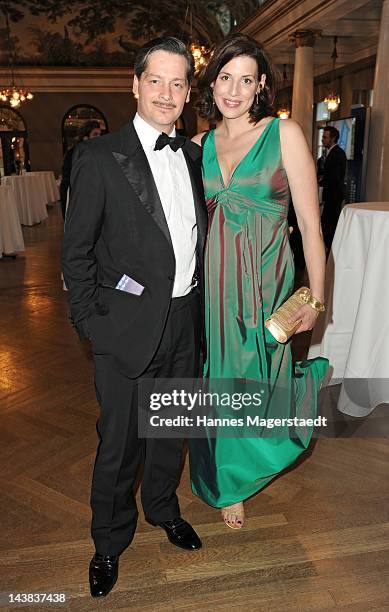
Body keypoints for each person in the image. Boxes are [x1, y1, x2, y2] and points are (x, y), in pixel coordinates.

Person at [62, 37, 207, 598]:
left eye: (178, 84)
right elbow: (75, 253)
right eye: (157, 81)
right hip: (123, 328)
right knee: (119, 443)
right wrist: (90, 325)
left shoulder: (194, 158)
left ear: (188, 91)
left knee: (171, 432)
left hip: (185, 319)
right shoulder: (98, 158)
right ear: (136, 85)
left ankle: (164, 509)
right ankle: (108, 541)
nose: (167, 94)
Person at [190, 34, 328, 529]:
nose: (234, 89)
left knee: (259, 379)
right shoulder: (199, 145)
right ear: (213, 84)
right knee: (219, 380)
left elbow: (311, 225)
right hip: (212, 287)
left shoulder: (284, 133)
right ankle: (231, 483)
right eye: (225, 77)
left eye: (246, 79)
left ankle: (248, 467)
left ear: (261, 85)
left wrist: (315, 296)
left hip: (266, 281)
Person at [59, 120, 102, 220]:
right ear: (85, 138)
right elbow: (67, 180)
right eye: (95, 134)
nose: (99, 138)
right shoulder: (73, 154)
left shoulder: (101, 152)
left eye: (100, 134)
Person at [318, 126, 347, 250]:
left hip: (333, 196)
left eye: (325, 137)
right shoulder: (332, 153)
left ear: (333, 138)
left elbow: (334, 177)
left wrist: (321, 181)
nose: (322, 140)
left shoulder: (337, 153)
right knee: (327, 225)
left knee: (329, 226)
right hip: (332, 195)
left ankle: (330, 254)